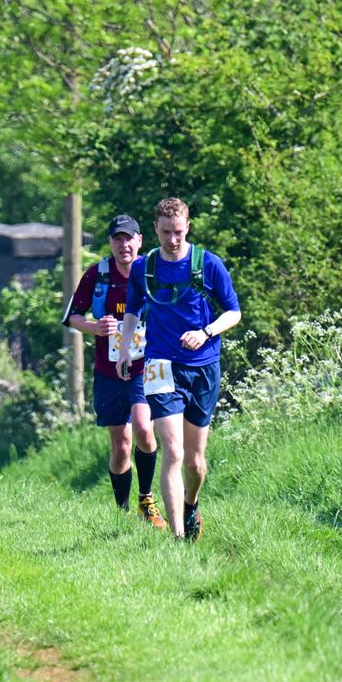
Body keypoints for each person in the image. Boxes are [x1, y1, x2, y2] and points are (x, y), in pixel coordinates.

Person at [116, 198, 241, 541]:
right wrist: (126, 349)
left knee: (195, 461)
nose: (173, 239)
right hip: (159, 364)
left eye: (179, 232)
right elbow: (132, 312)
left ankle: (191, 503)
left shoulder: (208, 264)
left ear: (188, 227)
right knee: (172, 450)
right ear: (154, 229)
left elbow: (234, 312)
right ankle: (177, 537)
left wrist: (206, 332)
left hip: (203, 367)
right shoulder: (145, 268)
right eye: (166, 232)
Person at [62, 214, 166, 529]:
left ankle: (146, 500)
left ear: (140, 241)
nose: (124, 245)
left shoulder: (152, 273)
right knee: (120, 445)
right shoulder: (98, 275)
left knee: (144, 430)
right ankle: (121, 512)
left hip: (144, 367)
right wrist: (95, 326)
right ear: (110, 243)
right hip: (108, 371)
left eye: (129, 238)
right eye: (117, 239)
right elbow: (71, 317)